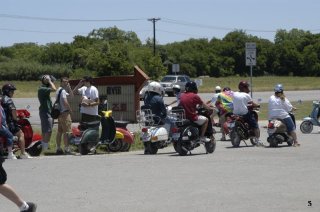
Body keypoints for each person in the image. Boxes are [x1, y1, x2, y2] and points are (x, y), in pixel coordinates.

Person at [1, 84, 32, 159]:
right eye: (12, 91)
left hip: (2, 122)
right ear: (7, 91)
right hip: (9, 122)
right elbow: (13, 111)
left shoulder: (1, 99)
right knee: (21, 134)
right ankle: (23, 153)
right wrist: (16, 118)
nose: (13, 93)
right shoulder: (8, 99)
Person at [232, 81, 263, 146]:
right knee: (255, 126)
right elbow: (252, 103)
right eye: (247, 87)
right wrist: (258, 105)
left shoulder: (234, 93)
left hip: (235, 113)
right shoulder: (247, 95)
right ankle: (257, 140)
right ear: (244, 87)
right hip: (244, 114)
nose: (248, 88)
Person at [38, 75, 56, 152]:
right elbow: (54, 89)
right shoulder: (42, 89)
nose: (52, 82)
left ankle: (44, 145)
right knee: (47, 130)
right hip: (45, 111)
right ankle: (44, 148)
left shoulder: (44, 88)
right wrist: (49, 81)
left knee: (48, 130)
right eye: (50, 81)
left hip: (48, 111)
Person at [55, 77, 74, 155]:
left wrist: (69, 88)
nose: (66, 83)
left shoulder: (59, 90)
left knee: (59, 131)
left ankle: (58, 148)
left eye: (67, 82)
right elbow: (66, 102)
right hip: (65, 113)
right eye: (65, 82)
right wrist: (70, 110)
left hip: (59, 114)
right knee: (67, 132)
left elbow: (71, 96)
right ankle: (67, 149)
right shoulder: (62, 91)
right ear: (61, 82)